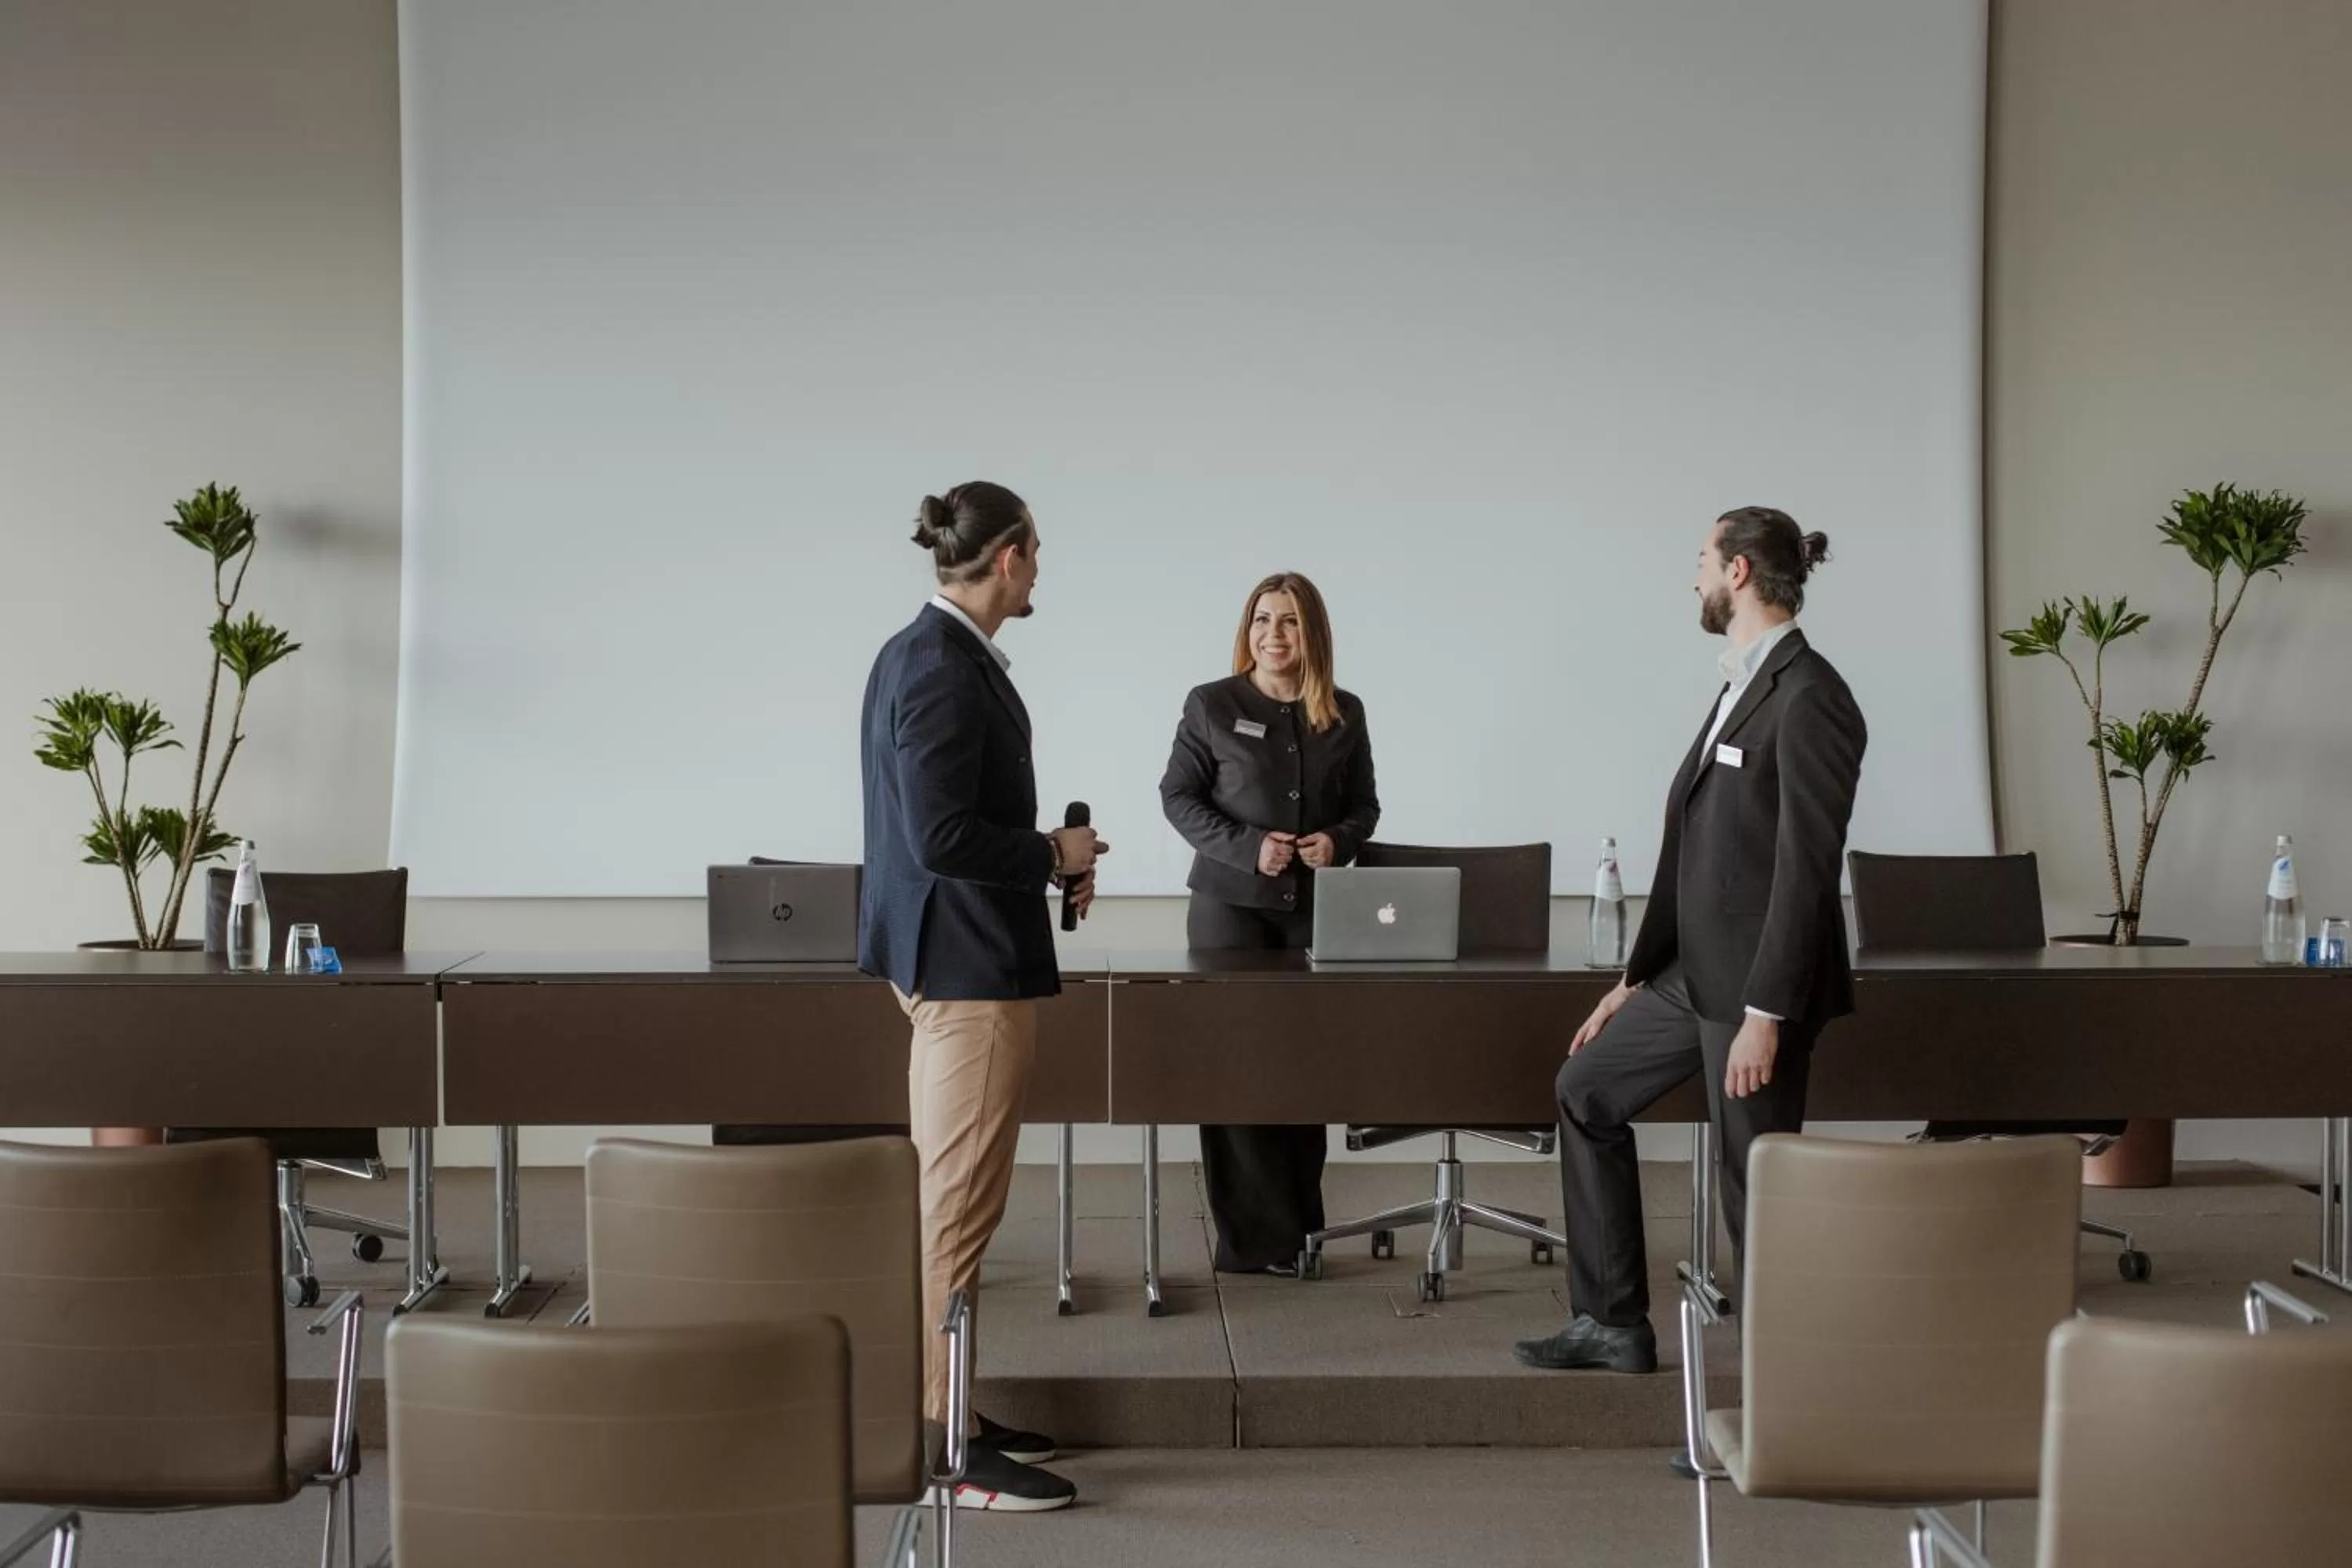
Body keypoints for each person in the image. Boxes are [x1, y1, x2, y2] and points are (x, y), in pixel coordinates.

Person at [1515, 506, 1866, 1375]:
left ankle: (1777, 1409)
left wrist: (1766, 1012)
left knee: (1758, 1193)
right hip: (1692, 975)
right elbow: (1698, 850)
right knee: (1585, 1089)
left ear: (1740, 571)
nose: (1696, 577)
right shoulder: (1742, 683)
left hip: (1756, 992)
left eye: (1703, 560)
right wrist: (1636, 978)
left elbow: (1803, 871)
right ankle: (1610, 1320)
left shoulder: (1813, 695)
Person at [859, 480, 1106, 1512]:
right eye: (1035, 550)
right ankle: (944, 1446)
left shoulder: (926, 653)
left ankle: (948, 1401)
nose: (1041, 567)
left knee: (955, 1203)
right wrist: (1057, 850)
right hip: (964, 973)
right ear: (1004, 556)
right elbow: (941, 840)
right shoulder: (940, 667)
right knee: (955, 1211)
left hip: (954, 961)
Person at [1160, 572, 1380, 1275]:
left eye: (1287, 621)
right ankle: (1254, 1242)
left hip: (1312, 916)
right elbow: (1178, 796)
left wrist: (1336, 842)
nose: (1273, 635)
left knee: (1300, 1071)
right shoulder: (1213, 705)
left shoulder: (1344, 712)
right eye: (1261, 620)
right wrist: (1249, 848)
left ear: (1311, 632)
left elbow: (1366, 807)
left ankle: (1299, 1230)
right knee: (1237, 1071)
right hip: (1230, 915)